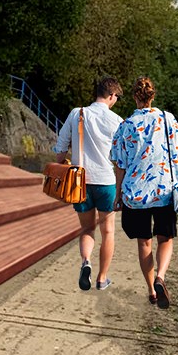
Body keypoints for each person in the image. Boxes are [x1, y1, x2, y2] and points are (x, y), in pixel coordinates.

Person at [109, 75, 178, 309]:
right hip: (163, 190)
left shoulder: (126, 125)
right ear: (153, 96)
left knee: (144, 243)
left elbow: (119, 164)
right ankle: (161, 276)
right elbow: (177, 155)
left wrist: (118, 194)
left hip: (136, 193)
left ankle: (151, 290)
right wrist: (176, 182)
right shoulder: (168, 119)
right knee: (165, 238)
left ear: (134, 96)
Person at [53, 76, 122, 291]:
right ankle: (102, 279)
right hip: (106, 182)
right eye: (116, 97)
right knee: (108, 231)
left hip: (79, 182)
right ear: (111, 95)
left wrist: (61, 161)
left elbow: (61, 146)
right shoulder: (117, 121)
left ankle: (86, 262)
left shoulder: (77, 113)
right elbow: (121, 157)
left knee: (87, 229)